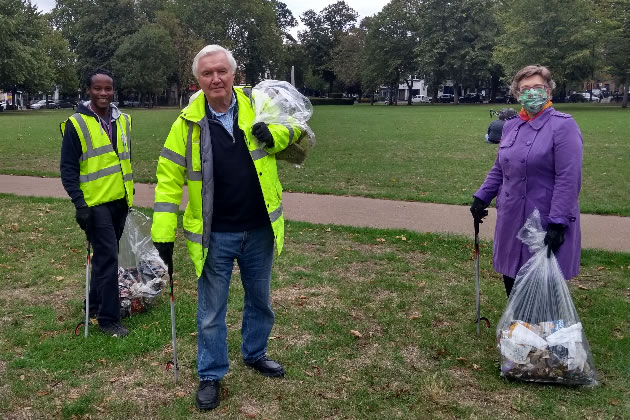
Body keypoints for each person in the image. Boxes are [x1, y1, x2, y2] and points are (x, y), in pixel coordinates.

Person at [151, 45, 301, 411]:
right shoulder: (184, 125)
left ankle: (255, 353)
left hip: (260, 228)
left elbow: (298, 134)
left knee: (260, 300)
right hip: (214, 235)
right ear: (198, 80)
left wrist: (275, 136)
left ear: (234, 74)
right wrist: (162, 234)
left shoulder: (259, 105)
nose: (215, 79)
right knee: (211, 312)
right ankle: (211, 374)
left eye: (222, 71)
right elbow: (168, 182)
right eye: (207, 74)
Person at [470, 65, 583, 297]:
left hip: (544, 218)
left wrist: (558, 222)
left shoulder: (563, 125)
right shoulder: (511, 126)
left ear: (549, 91)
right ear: (517, 94)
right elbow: (499, 168)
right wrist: (481, 197)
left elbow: (568, 178)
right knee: (512, 274)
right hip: (511, 216)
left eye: (538, 87)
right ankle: (517, 327)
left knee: (542, 282)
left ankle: (542, 329)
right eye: (525, 89)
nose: (532, 93)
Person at [60, 68, 133, 337]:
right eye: (98, 89)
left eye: (108, 88)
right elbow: (68, 168)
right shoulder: (76, 123)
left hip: (120, 200)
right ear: (88, 91)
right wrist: (80, 204)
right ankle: (108, 319)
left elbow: (125, 160)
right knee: (108, 258)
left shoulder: (123, 120)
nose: (103, 93)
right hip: (94, 204)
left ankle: (93, 305)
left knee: (104, 258)